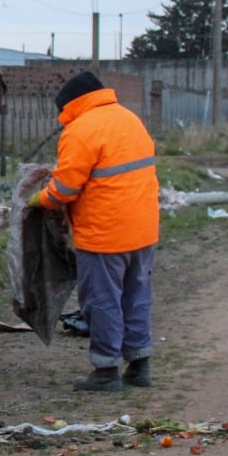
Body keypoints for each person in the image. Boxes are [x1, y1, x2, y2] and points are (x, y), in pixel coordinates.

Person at [27, 71, 158, 392]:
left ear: (69, 105)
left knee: (102, 301)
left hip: (104, 234)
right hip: (143, 229)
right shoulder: (129, 119)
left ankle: (106, 370)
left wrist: (39, 199)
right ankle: (139, 366)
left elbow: (65, 190)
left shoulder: (80, 130)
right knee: (136, 296)